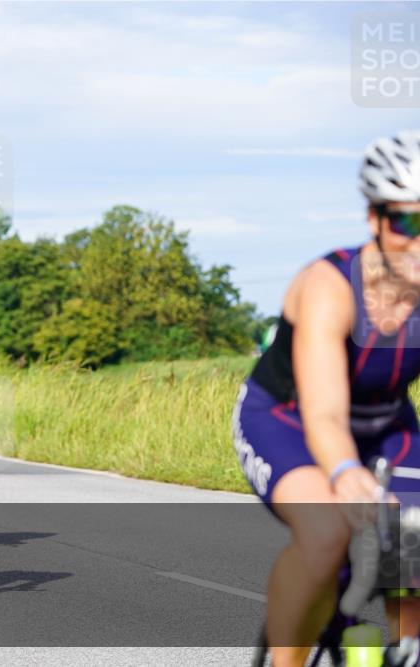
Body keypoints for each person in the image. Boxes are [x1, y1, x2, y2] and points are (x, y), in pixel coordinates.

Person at [234, 130, 420, 666]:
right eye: (407, 222)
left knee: (412, 532)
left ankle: (407, 647)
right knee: (326, 529)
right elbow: (325, 412)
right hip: (287, 418)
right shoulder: (329, 286)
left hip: (387, 421)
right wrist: (343, 470)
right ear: (375, 220)